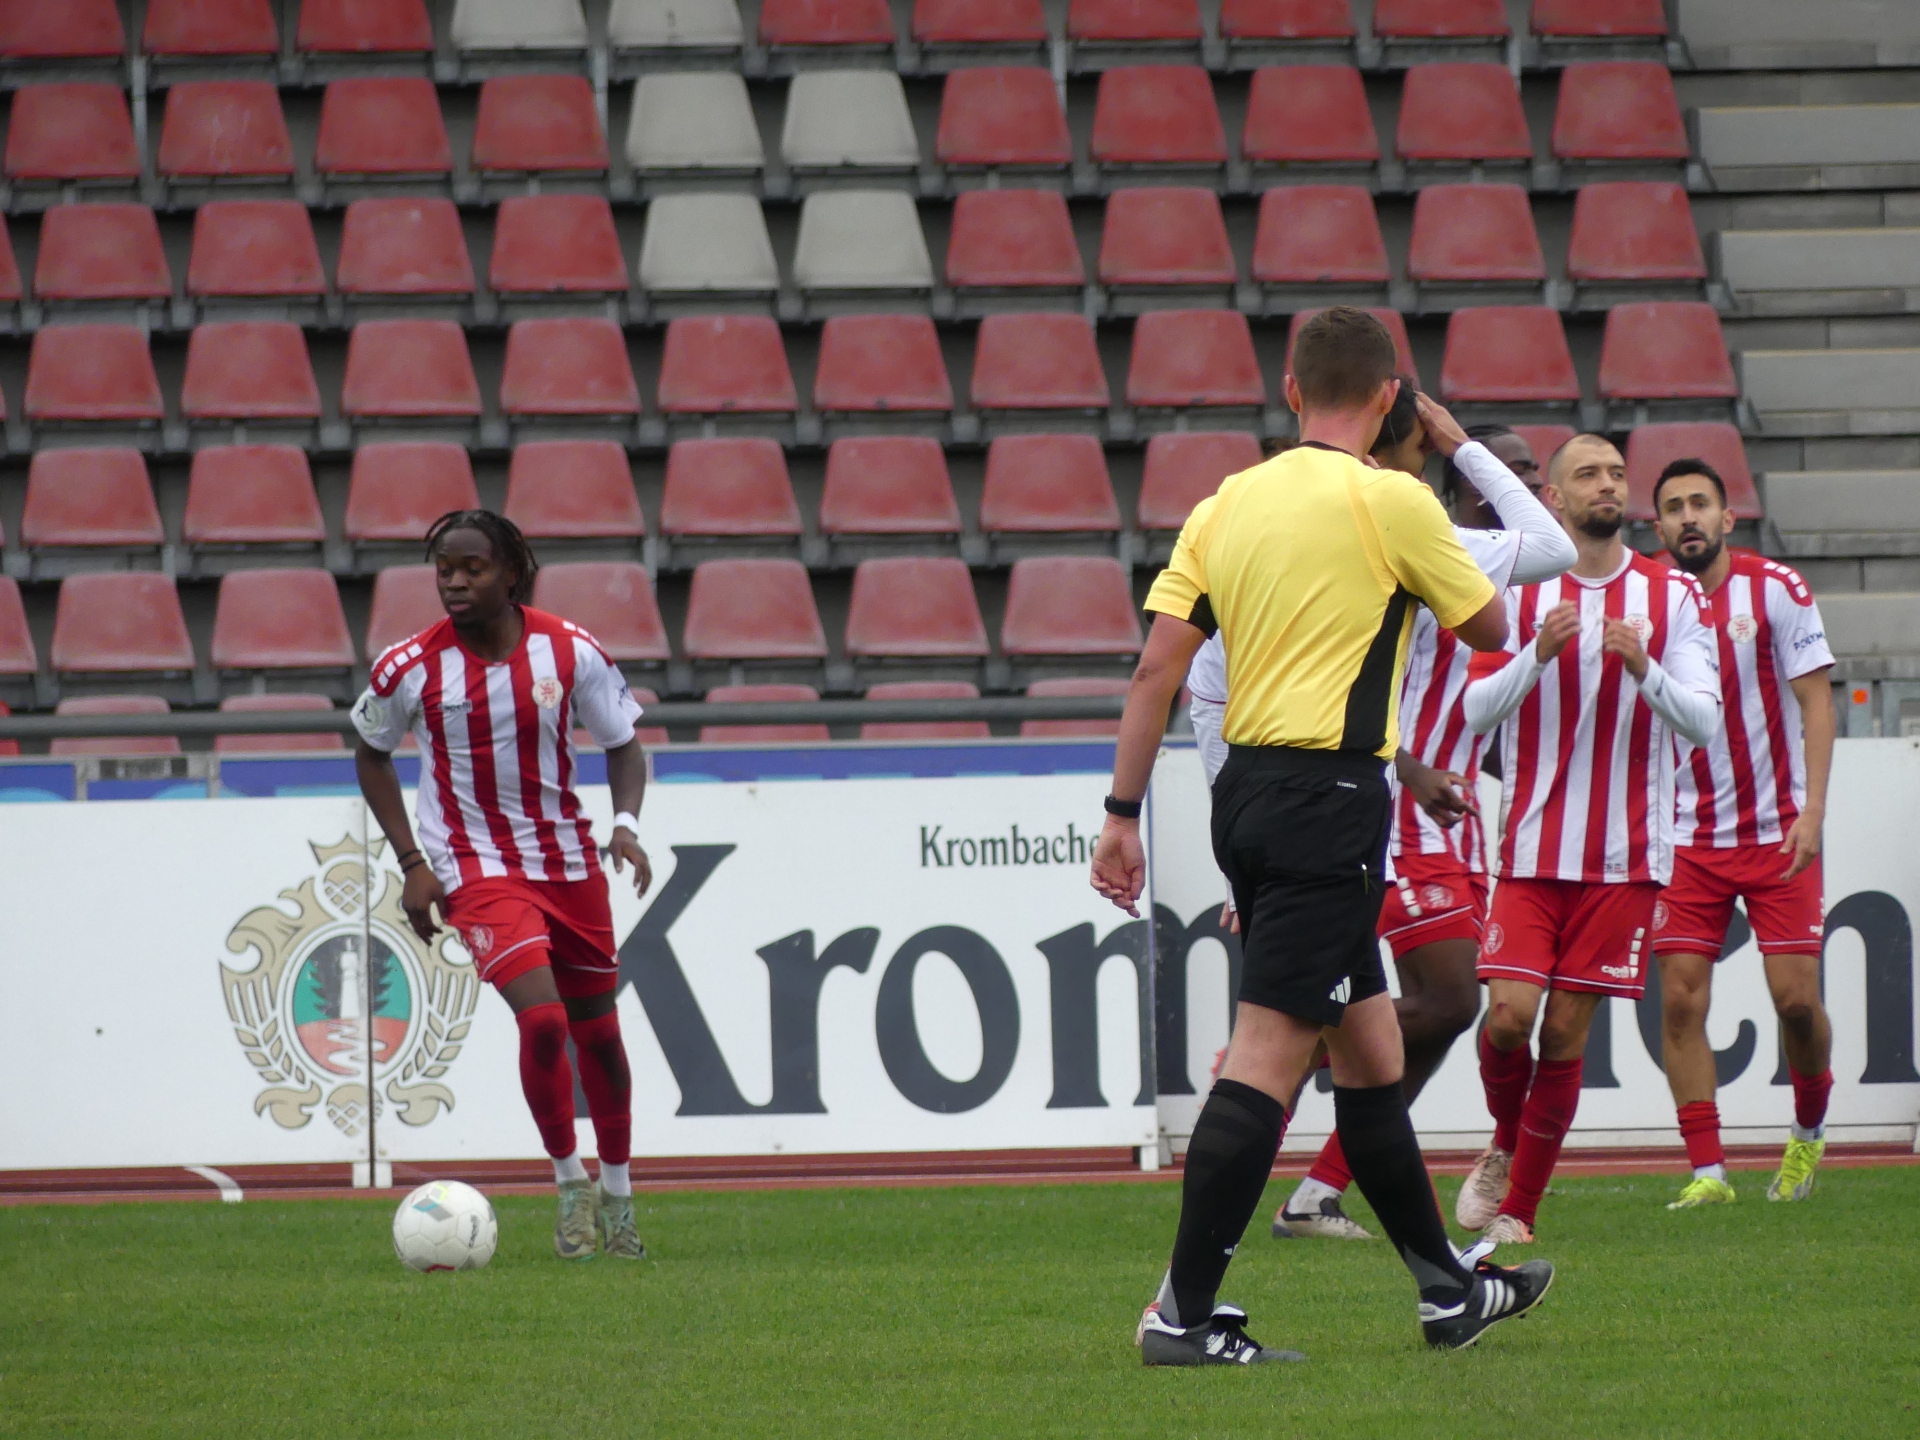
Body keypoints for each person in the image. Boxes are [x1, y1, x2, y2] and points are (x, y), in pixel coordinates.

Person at [1094, 306, 1556, 1365]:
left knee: (1372, 1052)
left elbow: (1157, 669)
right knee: (1267, 1055)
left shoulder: (1226, 503)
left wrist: (1122, 815)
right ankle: (1180, 1316)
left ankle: (1447, 1292)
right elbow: (1491, 627)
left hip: (1248, 796)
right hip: (1330, 798)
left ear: (1292, 392)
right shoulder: (1392, 501)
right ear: (1391, 397)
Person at [1270, 413, 1578, 1240]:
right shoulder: (1424, 546)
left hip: (1451, 818)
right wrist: (1409, 768)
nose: (1529, 483)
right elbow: (1377, 693)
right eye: (1514, 469)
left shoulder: (1485, 568)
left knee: (1442, 1014)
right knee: (1447, 999)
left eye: (1533, 470)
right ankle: (1281, 1052)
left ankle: (1316, 1191)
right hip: (1400, 816)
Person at [352, 510, 655, 1262]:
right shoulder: (408, 665)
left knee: (601, 1037)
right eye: (444, 570)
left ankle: (619, 1196)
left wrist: (626, 826)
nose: (454, 582)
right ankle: (570, 1185)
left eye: (472, 568)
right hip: (474, 864)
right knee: (544, 1021)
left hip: (568, 861)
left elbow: (624, 745)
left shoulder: (570, 650)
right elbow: (370, 752)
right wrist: (412, 862)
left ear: (511, 572)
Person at [1456, 436, 1721, 1244]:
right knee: (1508, 1019)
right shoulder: (1518, 591)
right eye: (1587, 475)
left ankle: (1519, 1214)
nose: (1607, 484)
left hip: (1626, 858)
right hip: (1532, 850)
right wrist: (1537, 656)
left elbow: (1703, 722)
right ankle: (1506, 1140)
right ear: (1555, 499)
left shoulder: (1671, 595)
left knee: (1565, 1033)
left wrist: (1645, 669)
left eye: (1614, 473)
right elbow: (1474, 711)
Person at [1649, 459, 1837, 1207]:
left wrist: (1813, 811)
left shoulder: (1776, 588)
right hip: (1686, 837)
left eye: (1700, 503)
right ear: (1658, 526)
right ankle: (1708, 1173)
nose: (1687, 517)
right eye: (1673, 507)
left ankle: (1808, 1131)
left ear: (1728, 518)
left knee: (1796, 1001)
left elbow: (1816, 701)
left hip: (1777, 832)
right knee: (1680, 1002)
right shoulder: (1649, 596)